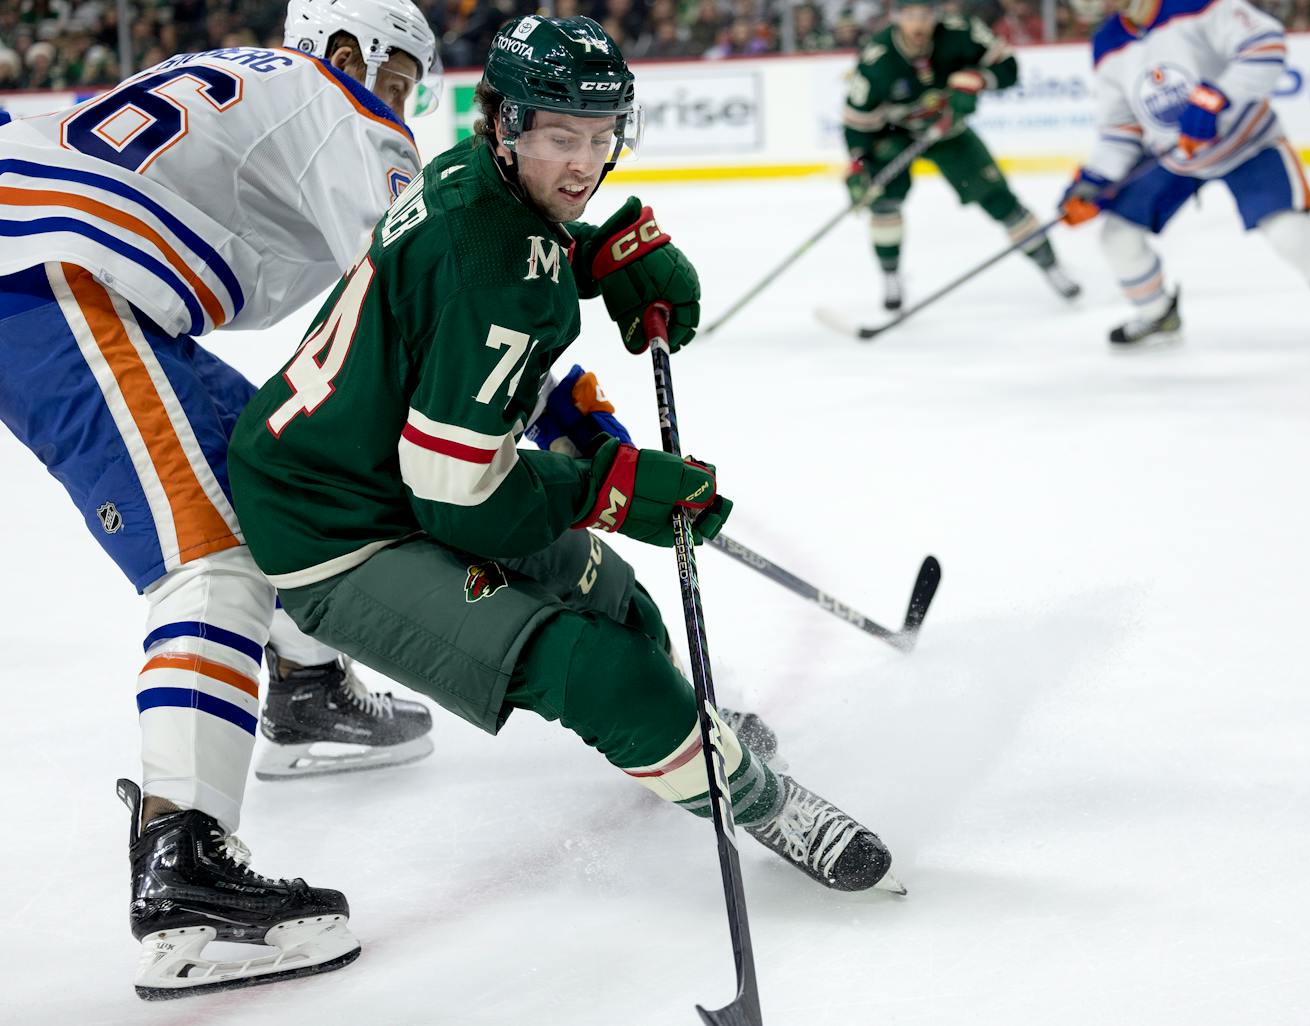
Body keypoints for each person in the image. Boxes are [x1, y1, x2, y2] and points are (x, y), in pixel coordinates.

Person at [226, 14, 902, 921]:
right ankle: (762, 805)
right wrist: (608, 489)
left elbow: (500, 259)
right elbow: (462, 502)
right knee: (594, 670)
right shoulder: (493, 274)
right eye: (557, 137)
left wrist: (597, 255)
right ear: (504, 126)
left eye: (599, 137)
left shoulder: (471, 177)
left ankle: (689, 740)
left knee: (617, 598)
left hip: (382, 473)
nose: (583, 164)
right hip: (336, 531)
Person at [0, 0, 442, 998]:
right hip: (52, 278)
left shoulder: (253, 78)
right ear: (346, 48)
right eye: (400, 75)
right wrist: (559, 422)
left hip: (62, 268)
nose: (403, 102)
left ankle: (303, 687)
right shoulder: (339, 101)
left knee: (269, 473)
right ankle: (184, 872)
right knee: (212, 560)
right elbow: (426, 298)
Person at [1059, 0, 1310, 346]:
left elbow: (1266, 43)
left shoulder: (1194, 4)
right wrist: (1093, 182)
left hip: (1246, 143)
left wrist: (1217, 97)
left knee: (1289, 233)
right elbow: (1120, 128)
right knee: (1117, 235)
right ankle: (1157, 315)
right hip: (1175, 157)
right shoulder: (1107, 43)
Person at [842, 0, 1080, 310]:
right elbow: (857, 122)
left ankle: (1051, 266)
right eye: (910, 16)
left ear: (936, 15)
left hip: (949, 133)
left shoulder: (961, 32)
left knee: (999, 199)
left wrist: (980, 79)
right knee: (883, 201)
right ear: (896, 18)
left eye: (925, 15)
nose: (919, 25)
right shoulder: (877, 60)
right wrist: (859, 164)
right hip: (895, 136)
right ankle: (891, 277)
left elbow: (1008, 68)